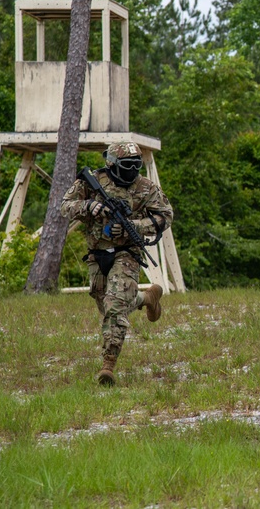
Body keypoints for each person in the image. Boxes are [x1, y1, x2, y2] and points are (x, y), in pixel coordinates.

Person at [60, 141, 173, 386]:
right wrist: (90, 206)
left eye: (136, 165)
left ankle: (108, 366)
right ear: (112, 164)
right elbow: (65, 206)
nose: (132, 170)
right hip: (96, 253)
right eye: (127, 166)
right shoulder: (92, 182)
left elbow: (165, 216)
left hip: (127, 252)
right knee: (106, 304)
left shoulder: (145, 187)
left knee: (115, 305)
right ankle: (146, 298)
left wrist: (136, 226)